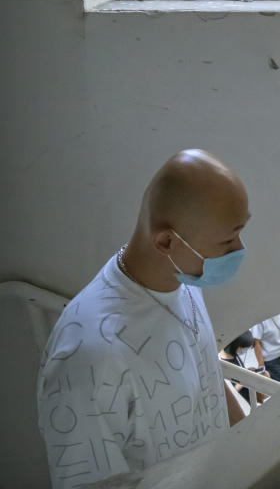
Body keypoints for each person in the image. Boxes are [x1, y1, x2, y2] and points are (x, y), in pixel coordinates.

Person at [36, 149, 250, 489]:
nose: (239, 249)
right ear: (166, 241)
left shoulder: (183, 278)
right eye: (228, 240)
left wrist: (254, 442)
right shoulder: (87, 357)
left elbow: (206, 376)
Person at [250, 313, 280, 383]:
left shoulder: (279, 310)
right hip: (271, 359)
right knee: (279, 383)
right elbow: (256, 342)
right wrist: (261, 365)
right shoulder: (259, 320)